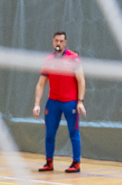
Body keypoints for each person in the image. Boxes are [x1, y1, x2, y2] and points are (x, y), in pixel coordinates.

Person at [33, 32, 85, 174]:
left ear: (65, 42)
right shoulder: (48, 60)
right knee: (49, 133)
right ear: (52, 42)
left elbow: (81, 80)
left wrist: (80, 101)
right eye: (56, 41)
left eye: (61, 41)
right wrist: (37, 104)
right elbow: (40, 84)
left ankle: (76, 163)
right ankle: (49, 162)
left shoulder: (74, 59)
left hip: (70, 103)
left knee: (73, 132)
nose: (58, 44)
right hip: (53, 103)